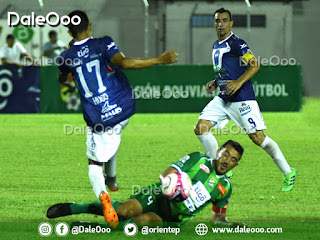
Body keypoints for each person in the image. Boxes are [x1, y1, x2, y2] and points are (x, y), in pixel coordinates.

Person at [57, 10, 178, 227]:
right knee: (113, 134)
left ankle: (104, 194)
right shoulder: (104, 43)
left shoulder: (65, 57)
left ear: (68, 32)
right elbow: (125, 63)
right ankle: (111, 178)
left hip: (99, 117)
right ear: (90, 26)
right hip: (123, 108)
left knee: (94, 163)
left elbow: (62, 78)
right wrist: (160, 59)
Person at [194, 8, 297, 191]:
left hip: (242, 99)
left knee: (258, 138)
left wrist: (239, 82)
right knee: (201, 128)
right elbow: (226, 70)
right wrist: (216, 82)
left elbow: (254, 65)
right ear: (214, 23)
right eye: (217, 21)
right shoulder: (215, 45)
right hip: (224, 98)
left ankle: (288, 172)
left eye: (225, 20)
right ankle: (220, 167)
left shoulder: (237, 43)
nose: (221, 24)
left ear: (231, 23)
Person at [47, 140, 243, 228]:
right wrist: (172, 186)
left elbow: (217, 219)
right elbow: (168, 172)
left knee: (138, 224)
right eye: (226, 154)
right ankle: (74, 208)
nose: (227, 160)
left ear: (236, 163)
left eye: (233, 159)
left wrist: (235, 226)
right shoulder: (198, 159)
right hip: (159, 194)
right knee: (122, 211)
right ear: (219, 152)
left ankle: (87, 227)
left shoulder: (225, 189)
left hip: (173, 217)